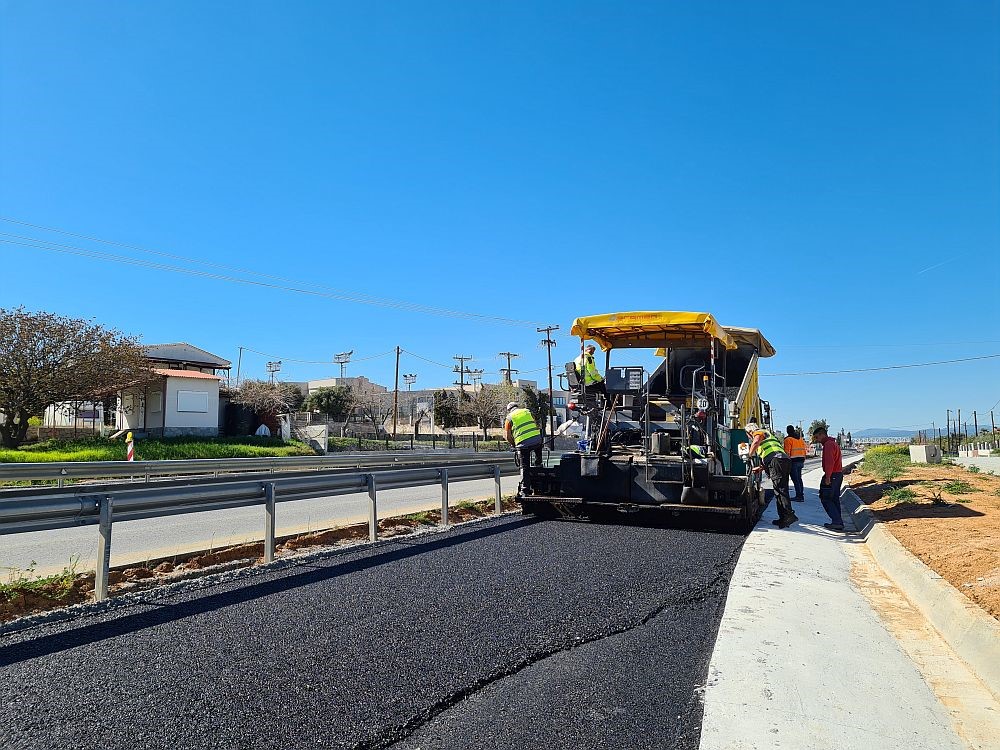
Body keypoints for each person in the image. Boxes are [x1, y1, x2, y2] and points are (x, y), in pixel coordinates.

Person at [746, 421, 797, 529]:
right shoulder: (768, 437)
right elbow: (770, 455)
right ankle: (783, 518)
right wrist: (760, 468)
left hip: (778, 461)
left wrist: (748, 455)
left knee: (780, 489)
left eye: (748, 435)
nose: (749, 437)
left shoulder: (758, 432)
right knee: (779, 489)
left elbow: (756, 442)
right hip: (783, 460)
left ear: (750, 431)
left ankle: (789, 515)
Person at [504, 401, 543, 494]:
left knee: (524, 467)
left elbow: (507, 436)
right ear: (517, 407)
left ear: (509, 410)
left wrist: (514, 445)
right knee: (538, 453)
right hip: (537, 440)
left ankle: (525, 489)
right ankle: (539, 464)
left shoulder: (509, 418)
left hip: (523, 444)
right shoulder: (527, 411)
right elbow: (535, 424)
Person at [812, 426, 844, 532]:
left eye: (817, 437)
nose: (817, 440)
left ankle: (836, 521)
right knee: (834, 499)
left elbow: (830, 462)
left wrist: (828, 477)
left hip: (833, 475)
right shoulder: (833, 443)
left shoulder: (828, 445)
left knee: (825, 498)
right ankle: (838, 521)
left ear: (822, 434)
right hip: (838, 474)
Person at [783, 425, 808, 502]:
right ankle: (801, 495)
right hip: (800, 461)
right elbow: (804, 450)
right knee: (799, 479)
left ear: (787, 431)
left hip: (793, 462)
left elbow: (787, 453)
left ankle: (799, 496)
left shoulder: (788, 440)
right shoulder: (800, 439)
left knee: (795, 480)